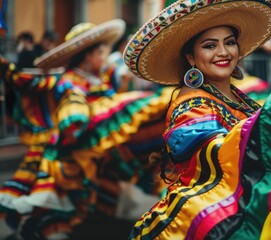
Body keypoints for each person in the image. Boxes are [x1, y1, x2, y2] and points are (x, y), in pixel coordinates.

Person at [123, 0, 271, 239]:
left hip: (243, 207)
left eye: (229, 42)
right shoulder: (190, 103)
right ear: (191, 57)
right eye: (210, 45)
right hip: (212, 220)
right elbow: (219, 152)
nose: (223, 52)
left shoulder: (235, 95)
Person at [0, 19, 171, 239]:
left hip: (94, 150)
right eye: (100, 52)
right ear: (88, 57)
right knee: (59, 202)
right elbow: (71, 108)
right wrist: (77, 119)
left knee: (96, 196)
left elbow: (112, 103)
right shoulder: (69, 82)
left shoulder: (98, 80)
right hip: (70, 151)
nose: (104, 57)